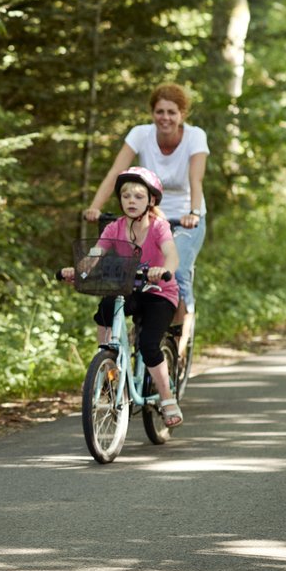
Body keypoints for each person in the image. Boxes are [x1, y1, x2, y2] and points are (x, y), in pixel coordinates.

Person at [85, 82, 208, 359]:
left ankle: (178, 336)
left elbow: (195, 179)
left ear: (182, 115)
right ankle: (142, 327)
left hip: (188, 214)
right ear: (152, 113)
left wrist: (194, 213)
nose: (165, 118)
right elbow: (116, 172)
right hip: (150, 213)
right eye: (159, 111)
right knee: (135, 272)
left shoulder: (195, 137)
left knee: (174, 271)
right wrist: (95, 206)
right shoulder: (140, 135)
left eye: (172, 112)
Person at [65, 167, 183, 426]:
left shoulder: (159, 226)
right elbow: (95, 255)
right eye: (126, 196)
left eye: (139, 196)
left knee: (149, 345)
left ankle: (167, 398)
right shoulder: (114, 227)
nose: (131, 201)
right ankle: (107, 363)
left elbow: (171, 253)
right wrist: (78, 271)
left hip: (159, 292)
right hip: (129, 289)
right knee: (106, 307)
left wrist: (165, 270)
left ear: (151, 201)